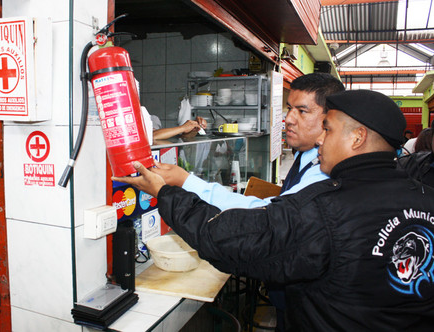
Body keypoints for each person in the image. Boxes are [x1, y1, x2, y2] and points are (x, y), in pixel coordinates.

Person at [113, 90, 434, 331]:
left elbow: (228, 240)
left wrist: (165, 193)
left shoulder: (326, 208)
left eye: (329, 129)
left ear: (358, 137)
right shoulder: (425, 197)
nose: (321, 138)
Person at [151, 72, 345, 210]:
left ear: (331, 116)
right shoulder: (306, 155)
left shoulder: (324, 172)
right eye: (289, 108)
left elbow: (268, 215)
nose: (290, 119)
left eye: (302, 111)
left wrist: (185, 181)